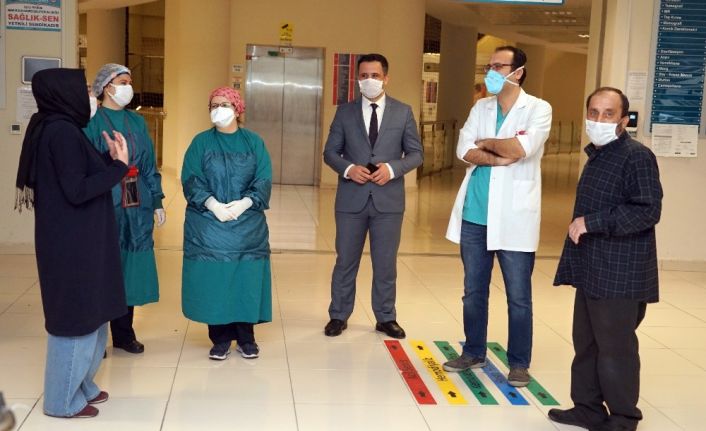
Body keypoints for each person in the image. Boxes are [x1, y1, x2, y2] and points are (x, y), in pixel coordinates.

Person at [15, 68, 129, 418]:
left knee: (95, 313)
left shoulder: (61, 127)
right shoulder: (60, 132)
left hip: (79, 240)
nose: (89, 95)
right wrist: (119, 168)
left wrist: (109, 160)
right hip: (72, 245)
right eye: (84, 89)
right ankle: (61, 400)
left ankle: (82, 384)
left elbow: (77, 173)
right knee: (76, 319)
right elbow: (77, 190)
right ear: (64, 93)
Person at [549, 87, 662, 431]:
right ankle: (587, 408)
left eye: (608, 113)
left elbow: (647, 210)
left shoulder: (636, 156)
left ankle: (624, 418)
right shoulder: (598, 155)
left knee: (616, 348)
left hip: (620, 272)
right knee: (586, 343)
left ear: (623, 120)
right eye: (593, 112)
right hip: (592, 268)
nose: (598, 120)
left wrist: (592, 222)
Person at [442, 46, 552, 387]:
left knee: (518, 297)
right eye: (489, 66)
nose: (490, 72)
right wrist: (497, 154)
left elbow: (521, 149)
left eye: (498, 66)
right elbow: (463, 150)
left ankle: (518, 363)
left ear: (518, 72)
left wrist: (487, 143)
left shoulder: (539, 109)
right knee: (473, 292)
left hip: (515, 218)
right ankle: (473, 351)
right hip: (475, 214)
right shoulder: (481, 107)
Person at [323, 53, 423, 339]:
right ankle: (338, 315)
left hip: (388, 202)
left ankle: (386, 317)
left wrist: (392, 169)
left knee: (385, 264)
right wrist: (348, 169)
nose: (369, 80)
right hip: (351, 200)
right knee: (345, 261)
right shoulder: (345, 112)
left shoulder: (403, 112)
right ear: (358, 79)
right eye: (364, 75)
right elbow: (330, 152)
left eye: (375, 75)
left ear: (386, 78)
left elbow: (416, 154)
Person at [181, 87, 272, 360]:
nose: (218, 109)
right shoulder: (201, 143)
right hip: (208, 225)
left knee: (245, 279)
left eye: (224, 104)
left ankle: (246, 338)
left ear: (237, 108)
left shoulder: (253, 142)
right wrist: (212, 204)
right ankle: (219, 339)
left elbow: (263, 178)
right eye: (213, 105)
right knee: (215, 281)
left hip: (247, 226)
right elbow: (191, 178)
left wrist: (245, 203)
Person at [84, 63, 165, 355]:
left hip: (136, 199)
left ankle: (123, 333)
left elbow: (149, 164)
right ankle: (96, 336)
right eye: (122, 81)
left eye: (130, 81)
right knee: (104, 265)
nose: (128, 87)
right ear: (107, 87)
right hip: (106, 198)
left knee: (130, 266)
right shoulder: (92, 121)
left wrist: (157, 200)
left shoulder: (137, 121)